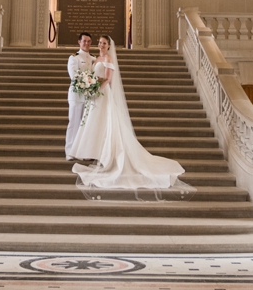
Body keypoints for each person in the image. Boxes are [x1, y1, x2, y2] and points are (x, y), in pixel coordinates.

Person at [71, 35, 186, 189]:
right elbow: (92, 76)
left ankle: (109, 157)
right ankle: (99, 154)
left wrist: (94, 89)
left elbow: (108, 79)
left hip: (103, 95)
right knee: (96, 125)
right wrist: (90, 88)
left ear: (109, 46)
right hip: (95, 97)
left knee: (107, 124)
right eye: (99, 43)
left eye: (104, 43)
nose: (101, 45)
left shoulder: (109, 60)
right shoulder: (96, 59)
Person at [65, 32, 95, 160]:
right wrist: (87, 82)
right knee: (74, 122)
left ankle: (83, 152)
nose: (86, 43)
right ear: (79, 42)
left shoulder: (94, 58)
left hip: (89, 96)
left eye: (89, 41)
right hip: (77, 95)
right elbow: (74, 76)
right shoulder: (74, 58)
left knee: (85, 125)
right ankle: (70, 151)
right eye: (84, 41)